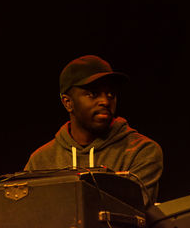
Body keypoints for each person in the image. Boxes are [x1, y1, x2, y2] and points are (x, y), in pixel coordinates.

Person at [24, 55, 163, 205]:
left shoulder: (141, 151)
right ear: (68, 102)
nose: (105, 101)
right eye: (93, 94)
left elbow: (128, 213)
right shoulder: (41, 161)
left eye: (110, 94)